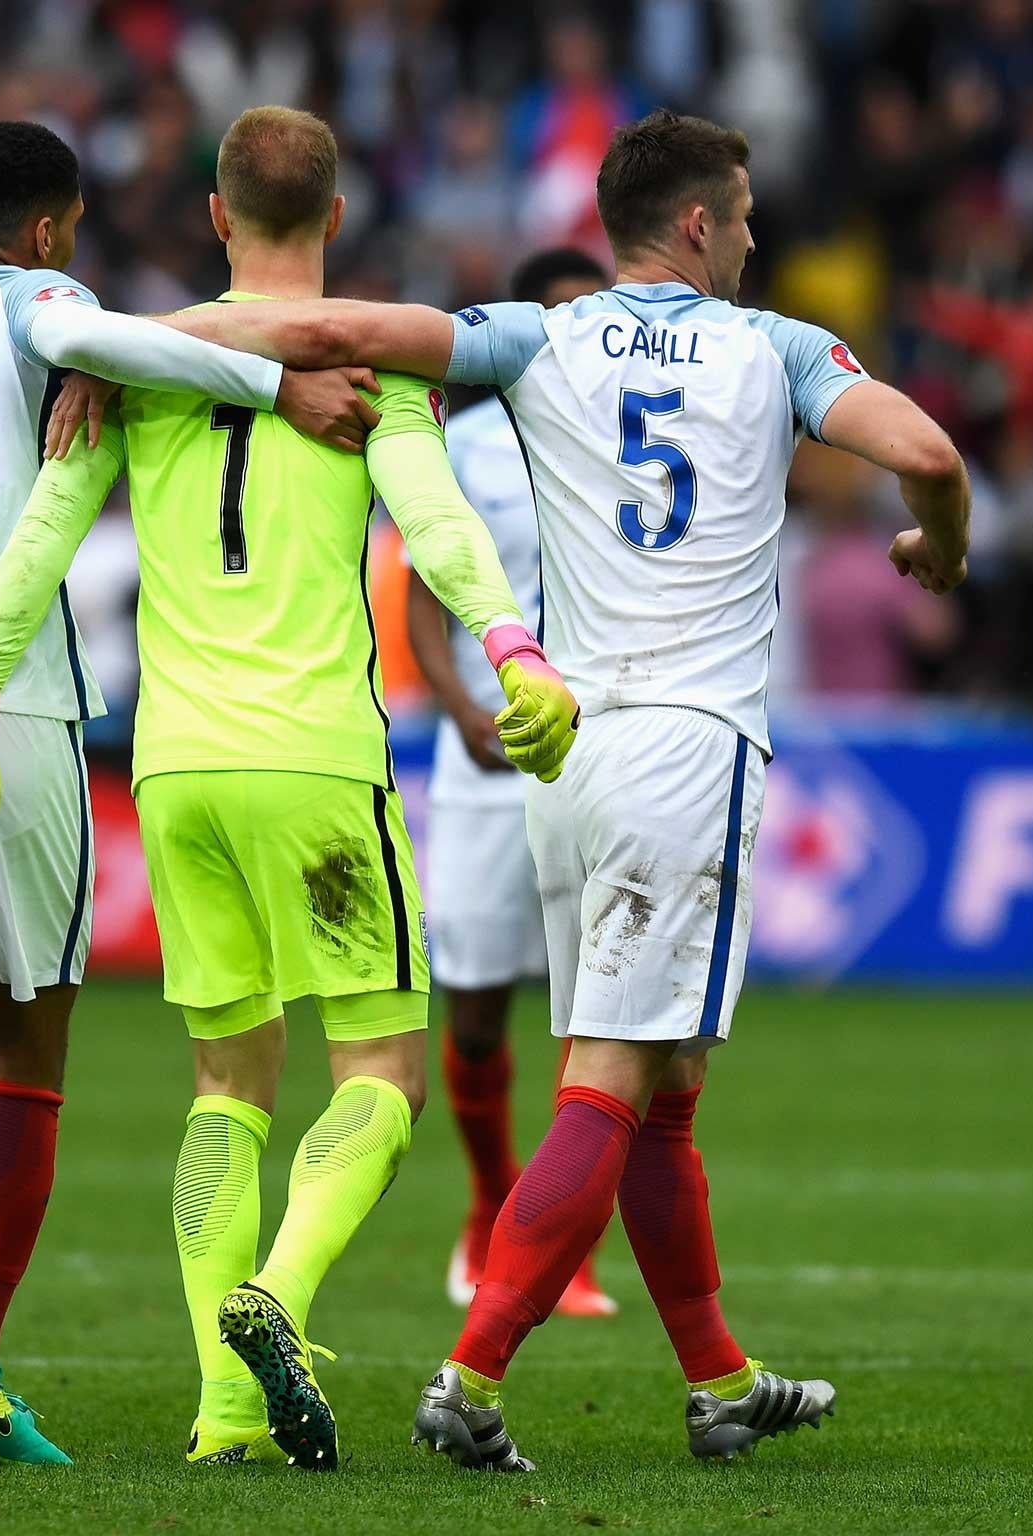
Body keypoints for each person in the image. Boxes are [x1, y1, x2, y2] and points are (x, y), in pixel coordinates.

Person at [129, 108, 972, 1470]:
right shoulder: (780, 349)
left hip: (565, 750)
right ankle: (470, 1377)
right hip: (688, 749)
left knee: (660, 1078)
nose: (755, 239)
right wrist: (939, 540)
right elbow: (928, 452)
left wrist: (131, 345)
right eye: (745, 216)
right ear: (697, 224)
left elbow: (337, 336)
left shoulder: (543, 334)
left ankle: (716, 1376)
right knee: (612, 1076)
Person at [0, 106, 579, 1472]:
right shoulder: (366, 365)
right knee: (383, 1073)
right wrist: (514, 649)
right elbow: (435, 524)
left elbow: (42, 529)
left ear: (215, 216)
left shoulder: (134, 364)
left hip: (178, 767)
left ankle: (222, 1411)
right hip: (317, 758)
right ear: (334, 220)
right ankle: (282, 1292)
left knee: (226, 1085)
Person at [0, 119, 377, 1467]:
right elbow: (132, 347)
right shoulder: (43, 302)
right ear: (49, 229)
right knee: (26, 1067)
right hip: (5, 713)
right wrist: (286, 390)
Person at [406, 245, 618, 1323]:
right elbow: (417, 599)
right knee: (479, 1007)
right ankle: (488, 1209)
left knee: (598, 1016)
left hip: (608, 753)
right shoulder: (466, 443)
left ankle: (552, 1249)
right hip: (488, 754)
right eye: (561, 318)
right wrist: (454, 708)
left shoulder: (639, 435)